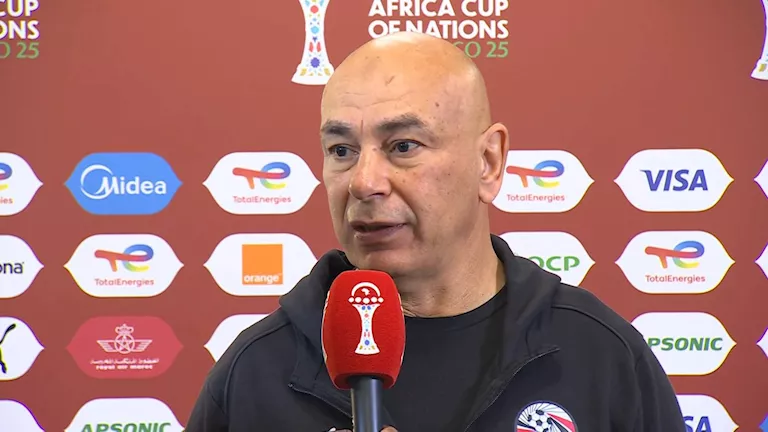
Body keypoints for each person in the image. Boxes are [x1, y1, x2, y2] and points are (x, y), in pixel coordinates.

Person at [185, 31, 686, 432]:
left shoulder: (600, 355)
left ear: (488, 162)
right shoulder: (254, 372)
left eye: (403, 146)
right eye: (341, 150)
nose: (363, 181)